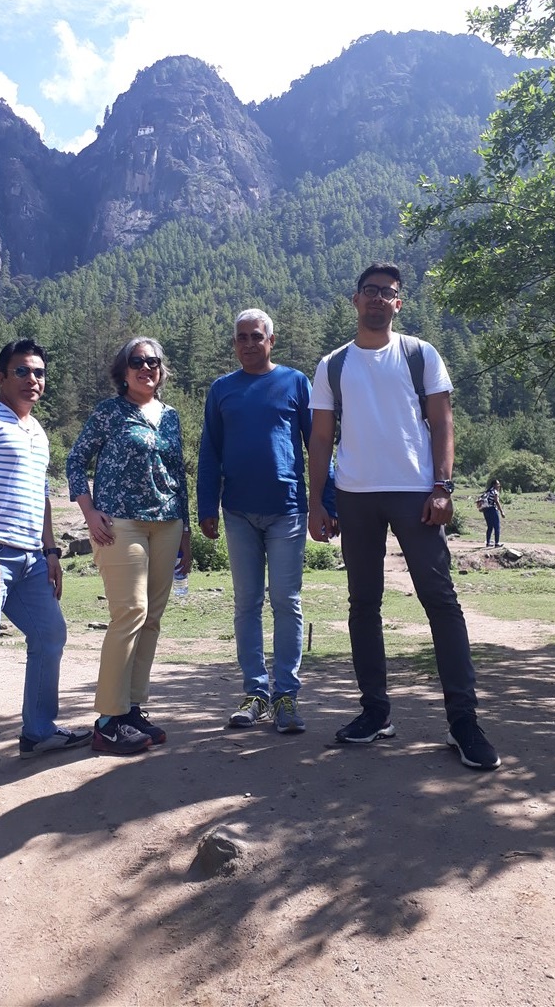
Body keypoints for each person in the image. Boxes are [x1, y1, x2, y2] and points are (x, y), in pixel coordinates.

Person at [307, 262, 500, 771]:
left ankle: (464, 723)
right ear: (355, 300)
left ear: (398, 304)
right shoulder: (331, 366)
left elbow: (442, 422)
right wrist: (317, 501)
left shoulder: (420, 354)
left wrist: (442, 486)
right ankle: (375, 713)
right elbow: (322, 437)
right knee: (362, 603)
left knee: (440, 600)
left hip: (416, 493)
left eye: (387, 293)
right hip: (354, 495)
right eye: (369, 291)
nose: (377, 299)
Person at [0, 339, 91, 809]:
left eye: (39, 373)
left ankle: (40, 731)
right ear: (1, 377)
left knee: (50, 635)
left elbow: (41, 495)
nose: (33, 380)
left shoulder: (37, 431)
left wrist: (51, 551)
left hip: (29, 561)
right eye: (23, 371)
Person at [197, 309, 337, 735]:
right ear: (234, 343)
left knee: (286, 601)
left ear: (270, 340)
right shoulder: (221, 389)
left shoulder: (295, 382)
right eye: (241, 337)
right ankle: (255, 693)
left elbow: (318, 445)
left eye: (256, 336)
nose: (248, 344)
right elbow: (210, 451)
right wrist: (206, 505)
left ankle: (286, 697)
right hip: (237, 511)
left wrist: (324, 502)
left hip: (288, 510)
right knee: (246, 603)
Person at [67, 337, 191, 756]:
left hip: (168, 523)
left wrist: (186, 533)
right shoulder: (109, 412)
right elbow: (75, 460)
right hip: (120, 525)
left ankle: (132, 709)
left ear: (162, 370)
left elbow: (179, 474)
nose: (146, 367)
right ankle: (107, 720)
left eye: (153, 361)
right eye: (137, 361)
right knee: (131, 612)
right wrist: (89, 511)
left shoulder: (170, 417)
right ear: (123, 371)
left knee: (152, 617)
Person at [480, 478, 505, 547]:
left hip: (486, 510)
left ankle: (488, 543)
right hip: (492, 510)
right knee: (496, 526)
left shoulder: (487, 491)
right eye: (498, 484)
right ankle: (497, 543)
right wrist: (501, 511)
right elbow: (497, 502)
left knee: (490, 527)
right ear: (494, 485)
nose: (499, 486)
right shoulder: (495, 492)